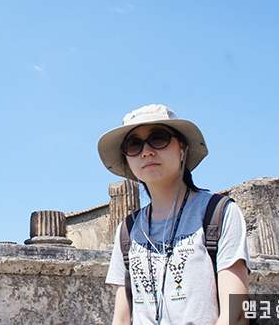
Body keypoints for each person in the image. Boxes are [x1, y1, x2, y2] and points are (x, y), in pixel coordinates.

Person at [98, 104, 250, 325]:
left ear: (182, 150)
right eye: (134, 145)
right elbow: (121, 319)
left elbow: (236, 313)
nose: (146, 152)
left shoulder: (218, 213)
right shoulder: (127, 229)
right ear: (128, 160)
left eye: (158, 138)